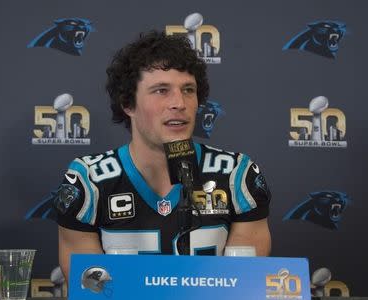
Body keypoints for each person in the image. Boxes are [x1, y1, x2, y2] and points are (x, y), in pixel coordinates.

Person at [55, 30, 271, 279]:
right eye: (161, 90)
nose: (179, 103)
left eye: (188, 90)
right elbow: (93, 290)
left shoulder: (237, 175)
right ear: (128, 104)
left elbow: (243, 285)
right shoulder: (88, 181)